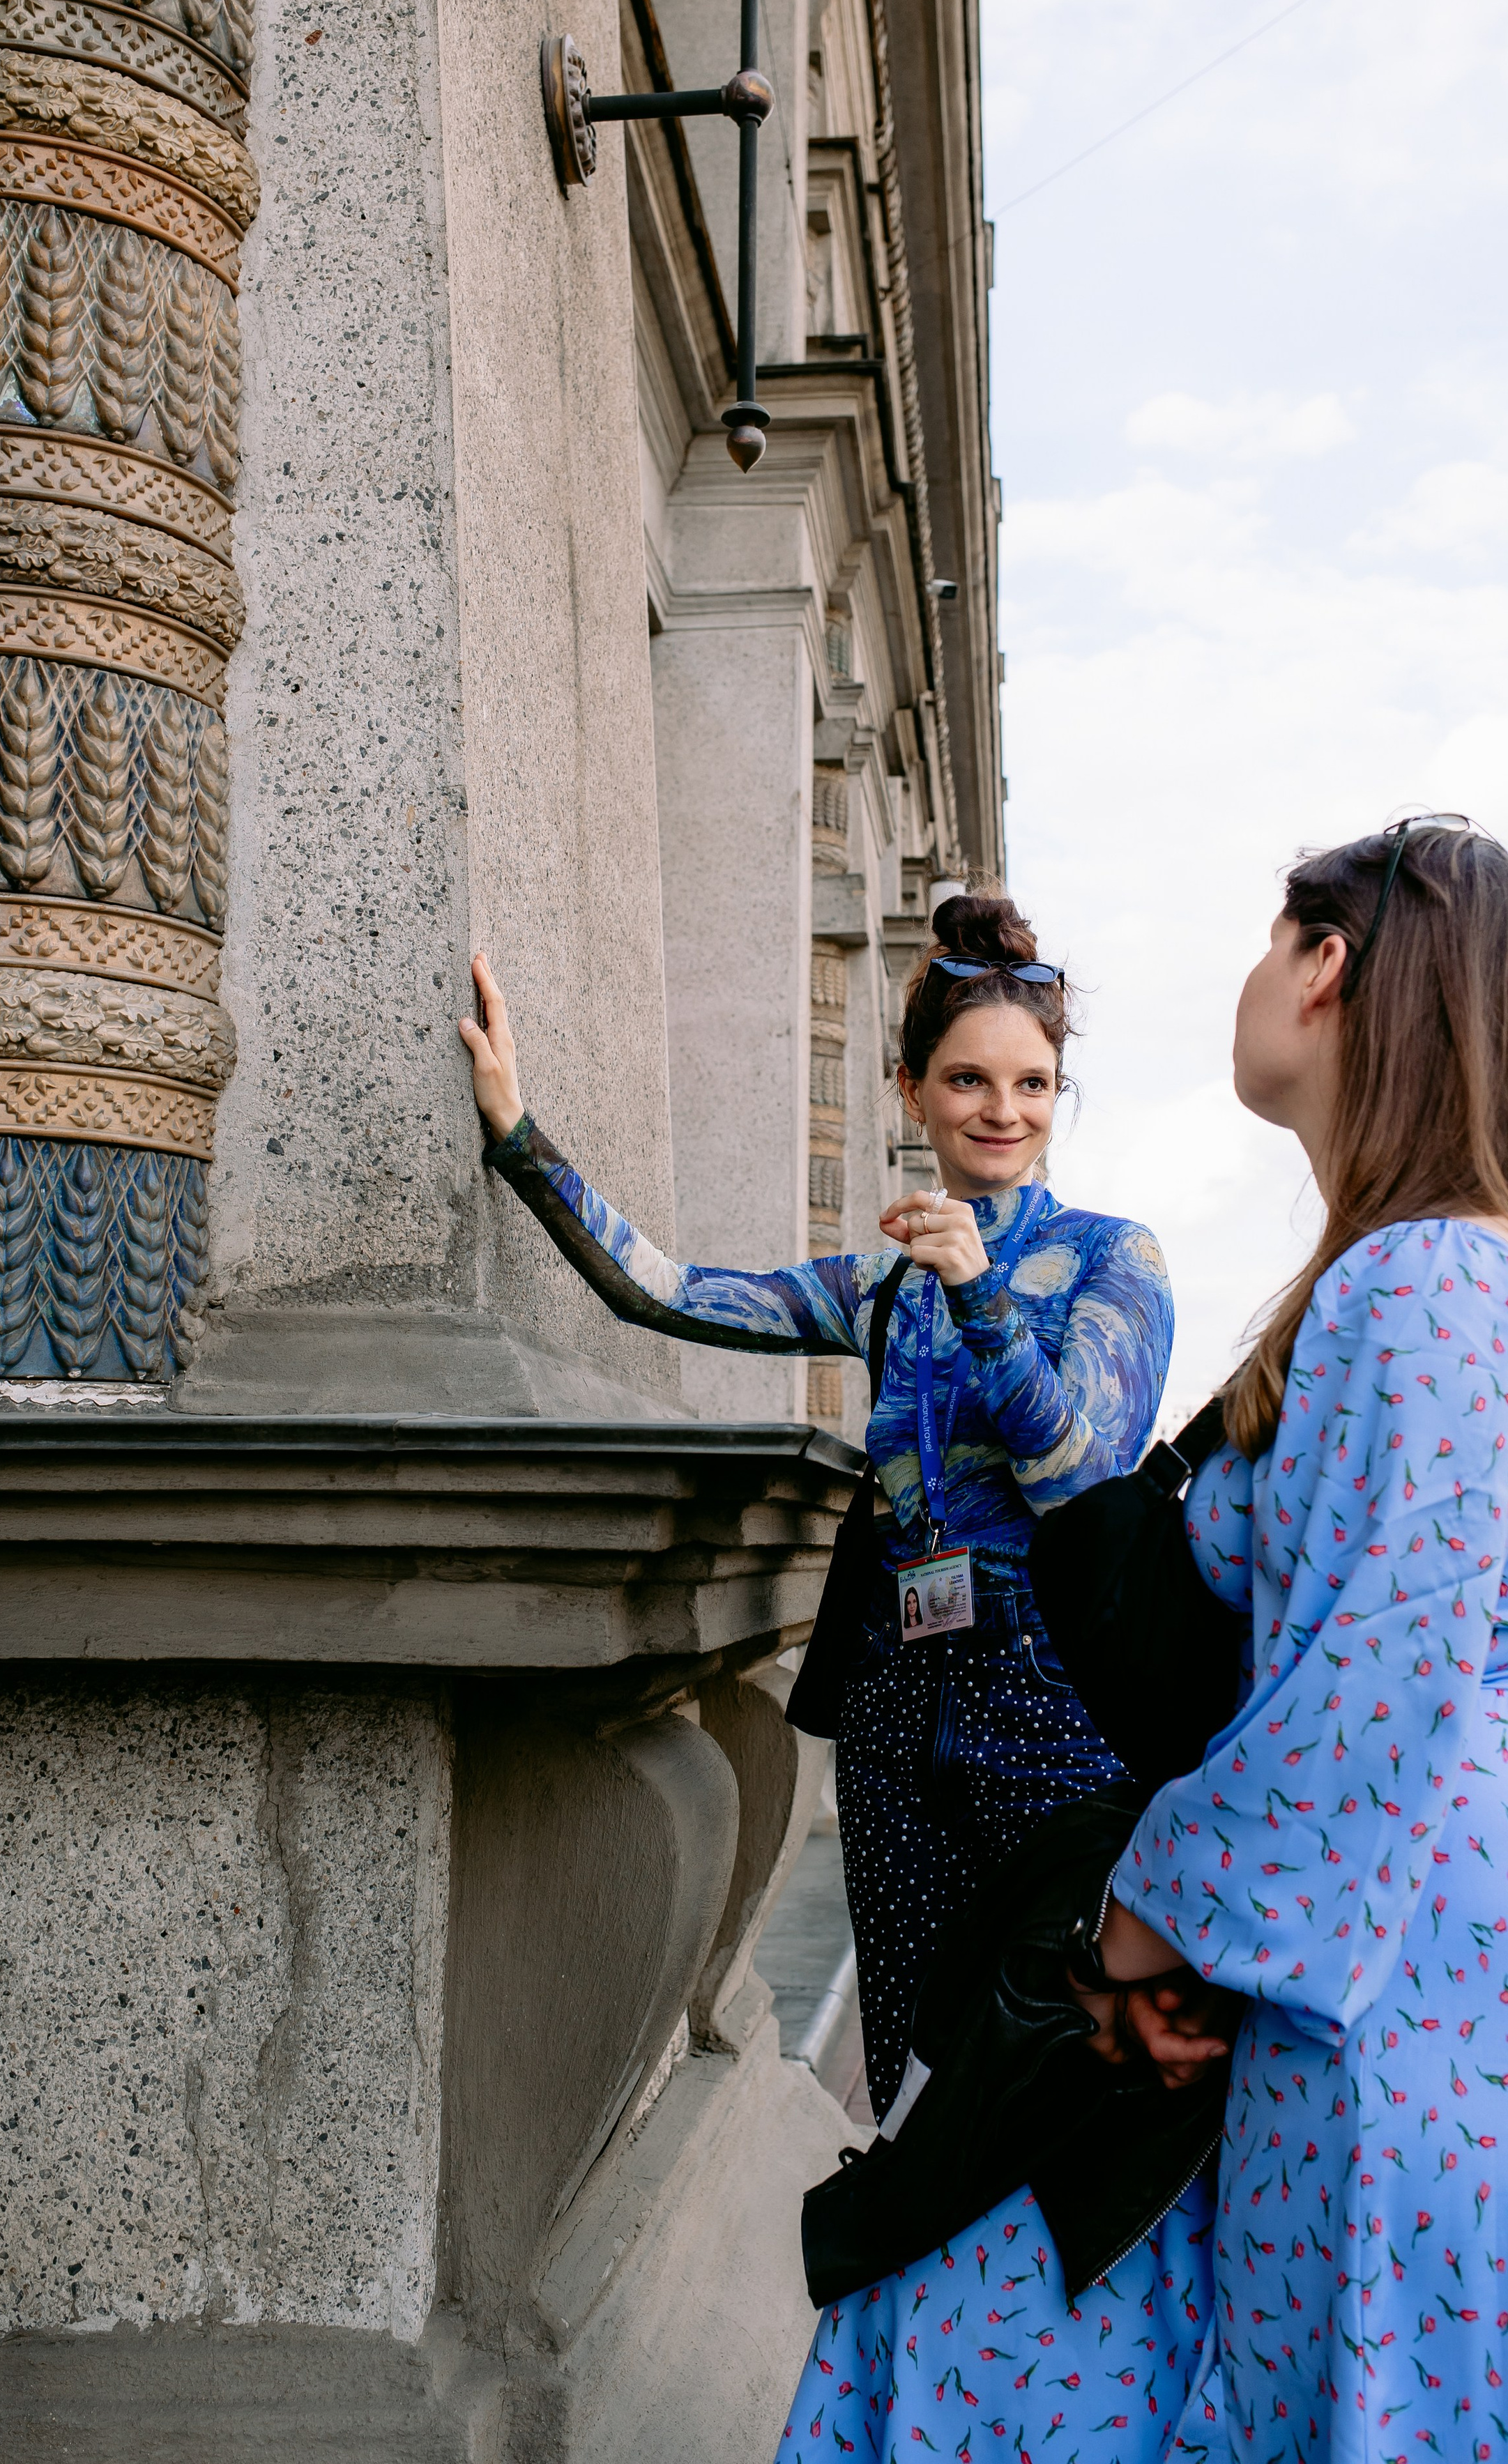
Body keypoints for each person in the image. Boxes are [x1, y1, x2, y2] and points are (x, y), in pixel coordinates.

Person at [1077, 818, 1508, 2456]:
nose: (1246, 977)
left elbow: (1361, 1686)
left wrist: (1137, 1916)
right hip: (1471, 1973)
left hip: (1431, 2004)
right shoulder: (1456, 1269)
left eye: (1260, 937)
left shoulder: (1424, 1276)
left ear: (1326, 961)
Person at [457, 887, 1173, 2122]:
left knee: (1067, 2066)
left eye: (1033, 1085)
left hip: (1057, 1712)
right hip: (901, 1712)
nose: (1002, 1112)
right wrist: (521, 1137)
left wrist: (985, 1295)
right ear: (911, 1091)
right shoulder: (877, 1286)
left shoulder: (1118, 1259)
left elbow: (1077, 1473)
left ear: (1061, 1096)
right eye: (967, 1081)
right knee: (911, 2068)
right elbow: (668, 1293)